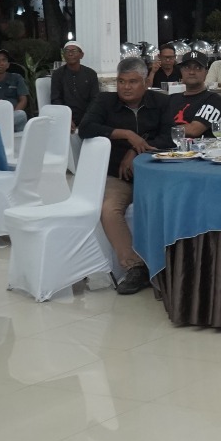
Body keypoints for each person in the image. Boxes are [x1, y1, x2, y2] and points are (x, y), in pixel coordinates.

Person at [78, 58, 167, 295]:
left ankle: (169, 265)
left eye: (133, 82)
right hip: (119, 177)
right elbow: (86, 128)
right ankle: (135, 267)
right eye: (121, 81)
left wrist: (135, 151)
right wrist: (126, 134)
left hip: (156, 175)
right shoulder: (105, 101)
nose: (126, 87)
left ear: (146, 82)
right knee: (108, 209)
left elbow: (169, 137)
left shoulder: (160, 101)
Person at [49, 43, 98, 130]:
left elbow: (95, 99)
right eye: (67, 51)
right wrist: (66, 118)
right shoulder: (58, 74)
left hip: (87, 116)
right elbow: (56, 99)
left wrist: (87, 119)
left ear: (81, 55)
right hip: (65, 116)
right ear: (64, 55)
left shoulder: (91, 74)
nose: (70, 54)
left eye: (73, 51)